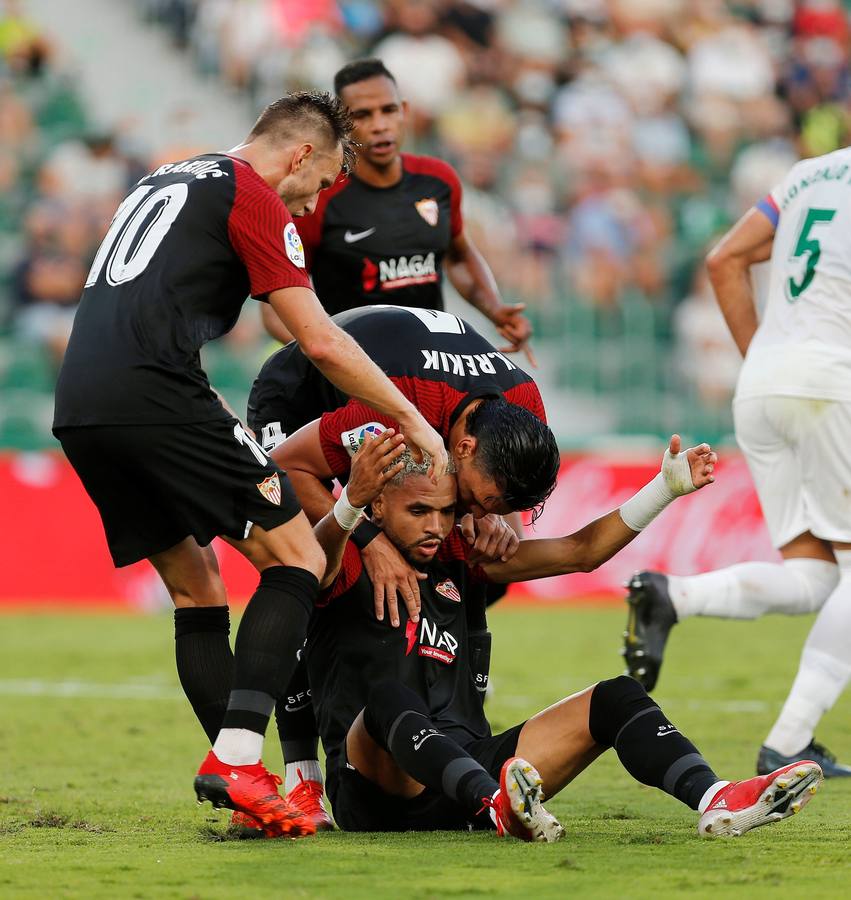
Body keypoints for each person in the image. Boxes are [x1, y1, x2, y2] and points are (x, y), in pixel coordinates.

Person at [51, 90, 448, 838]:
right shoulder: (254, 193)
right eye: (325, 180)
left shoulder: (167, 178)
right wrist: (409, 418)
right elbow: (320, 340)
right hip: (157, 394)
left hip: (81, 404)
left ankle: (249, 784)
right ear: (299, 154)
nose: (316, 200)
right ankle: (238, 760)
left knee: (197, 587)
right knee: (297, 553)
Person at [294, 430, 822, 840]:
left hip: (472, 771)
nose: (436, 526)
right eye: (419, 511)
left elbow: (579, 551)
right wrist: (347, 512)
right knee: (390, 700)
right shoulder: (347, 562)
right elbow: (311, 562)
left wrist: (664, 488)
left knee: (617, 696)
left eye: (447, 511)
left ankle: (717, 799)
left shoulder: (465, 562)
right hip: (376, 788)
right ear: (378, 506)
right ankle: (499, 804)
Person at [245, 303, 559, 827]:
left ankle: (440, 724)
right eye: (478, 500)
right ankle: (303, 782)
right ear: (465, 448)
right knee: (300, 571)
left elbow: (502, 497)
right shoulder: (395, 410)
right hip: (306, 392)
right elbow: (289, 466)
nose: (477, 514)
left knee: (452, 560)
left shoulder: (521, 413)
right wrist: (368, 537)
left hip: (401, 386)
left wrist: (501, 523)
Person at [623, 146, 851, 778]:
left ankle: (675, 596)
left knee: (817, 577)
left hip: (765, 386)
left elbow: (723, 260)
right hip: (830, 386)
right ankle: (790, 742)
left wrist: (767, 363)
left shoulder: (811, 172)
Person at [258, 58, 534, 364]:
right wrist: (335, 357)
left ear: (404, 111)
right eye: (363, 115)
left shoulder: (438, 180)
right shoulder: (319, 198)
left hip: (432, 366)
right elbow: (275, 304)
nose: (379, 125)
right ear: (342, 126)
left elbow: (458, 256)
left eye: (388, 110)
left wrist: (494, 308)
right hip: (357, 380)